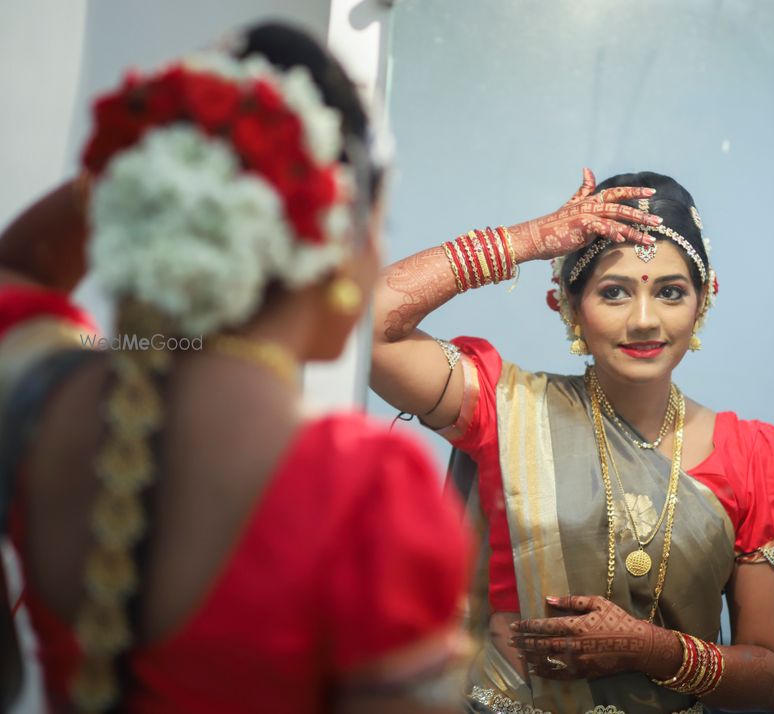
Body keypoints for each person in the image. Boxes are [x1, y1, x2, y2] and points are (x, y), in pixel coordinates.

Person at [0, 22, 470, 713]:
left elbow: (19, 269)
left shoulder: (38, 399)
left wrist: (156, 165)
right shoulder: (369, 490)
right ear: (340, 245)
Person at [371, 169, 774, 713]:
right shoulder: (505, 409)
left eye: (671, 292)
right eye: (614, 292)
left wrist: (653, 651)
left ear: (704, 299)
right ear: (569, 305)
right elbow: (367, 326)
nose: (645, 320)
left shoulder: (755, 459)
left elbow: (773, 677)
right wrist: (529, 240)